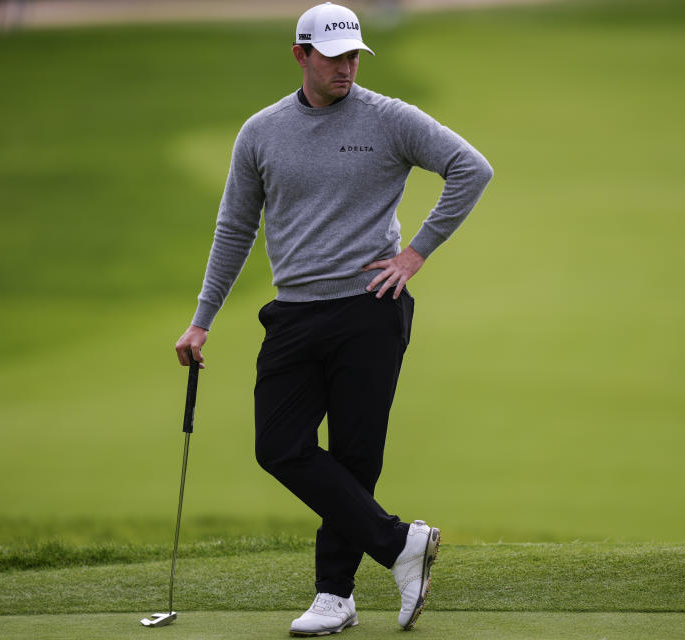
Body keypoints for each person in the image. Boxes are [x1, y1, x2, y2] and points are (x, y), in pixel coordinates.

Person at [174, 2, 492, 635]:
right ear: (301, 55)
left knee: (354, 457)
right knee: (278, 446)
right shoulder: (261, 132)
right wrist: (202, 319)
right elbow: (235, 227)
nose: (346, 66)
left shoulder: (388, 118)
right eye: (334, 56)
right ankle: (401, 544)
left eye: (353, 56)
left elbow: (470, 168)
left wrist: (414, 254)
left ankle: (334, 596)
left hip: (370, 308)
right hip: (293, 313)